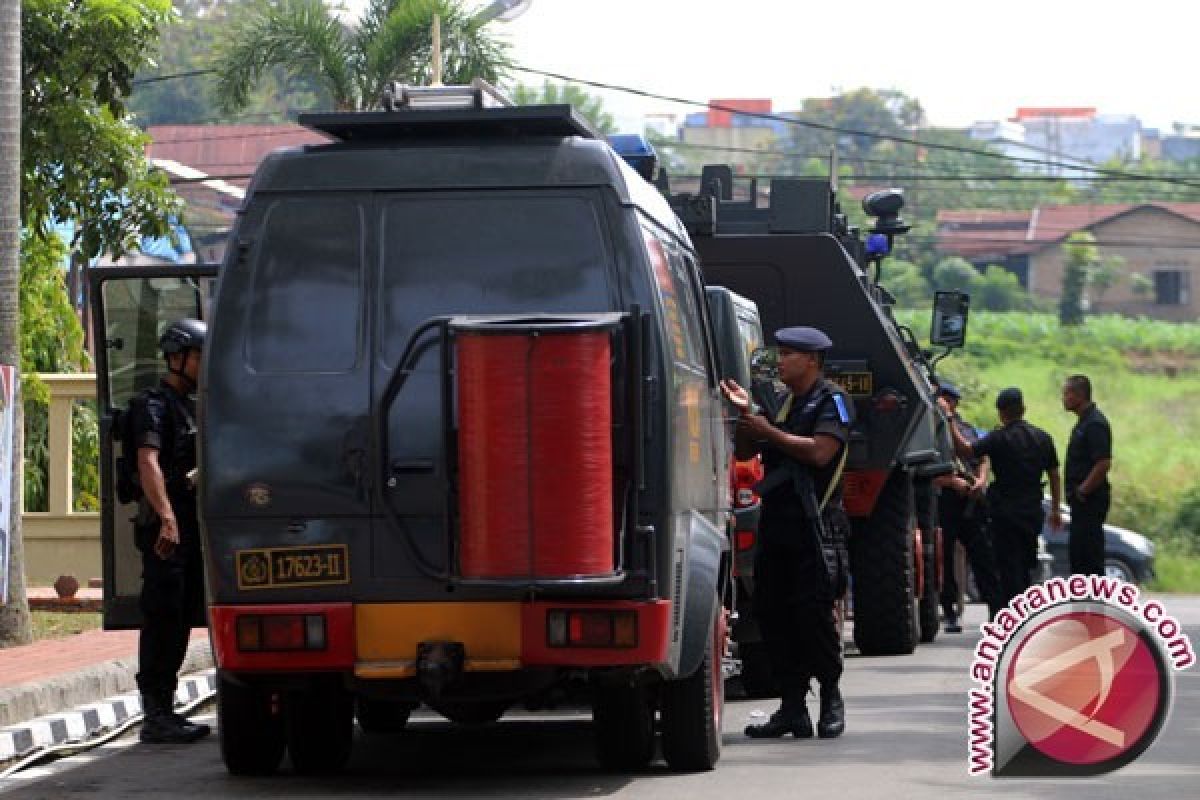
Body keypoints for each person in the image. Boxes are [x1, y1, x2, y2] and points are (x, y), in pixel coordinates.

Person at [721, 326, 852, 740]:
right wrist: (746, 416)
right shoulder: (781, 403)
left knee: (812, 616)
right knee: (772, 615)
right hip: (777, 525)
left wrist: (768, 431)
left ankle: (830, 697)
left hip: (816, 527)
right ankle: (792, 707)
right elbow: (744, 452)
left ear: (812, 360)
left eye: (790, 354)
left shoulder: (834, 401)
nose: (781, 361)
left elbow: (819, 451)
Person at [129, 318, 210, 744]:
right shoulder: (153, 405)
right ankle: (155, 713)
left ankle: (167, 708)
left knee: (179, 618)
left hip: (188, 527)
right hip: (167, 530)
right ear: (177, 358)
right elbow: (148, 461)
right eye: (199, 355)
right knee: (162, 617)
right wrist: (167, 517)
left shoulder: (189, 404)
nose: (203, 364)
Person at [949, 387, 1061, 609]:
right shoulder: (1043, 438)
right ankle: (1023, 614)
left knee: (1006, 566)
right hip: (1031, 511)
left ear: (1001, 413)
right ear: (1023, 409)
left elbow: (966, 450)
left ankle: (1009, 616)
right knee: (1026, 564)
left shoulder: (998, 438)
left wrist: (950, 419)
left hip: (1004, 514)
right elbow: (1055, 475)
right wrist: (1056, 509)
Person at [934, 383, 1002, 630]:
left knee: (984, 557)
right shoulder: (929, 431)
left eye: (948, 400)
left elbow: (982, 457)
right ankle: (949, 611)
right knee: (945, 560)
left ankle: (996, 610)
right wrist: (952, 482)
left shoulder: (967, 429)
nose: (945, 405)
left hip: (971, 502)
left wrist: (981, 481)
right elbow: (920, 472)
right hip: (945, 501)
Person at [1062, 375, 1112, 576]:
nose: (1064, 398)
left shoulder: (1095, 424)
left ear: (1079, 395)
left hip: (1089, 501)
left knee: (1089, 556)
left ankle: (1094, 603)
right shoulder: (1084, 422)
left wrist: (1083, 490)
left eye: (1067, 393)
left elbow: (1103, 463)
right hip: (1081, 502)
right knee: (1079, 556)